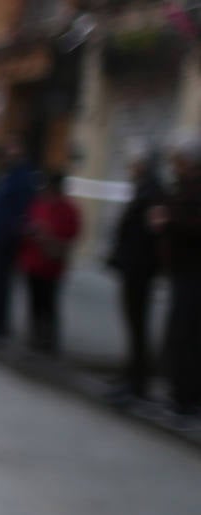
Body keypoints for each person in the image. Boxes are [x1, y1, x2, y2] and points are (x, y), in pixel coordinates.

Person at [105, 149, 165, 401]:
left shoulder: (151, 192)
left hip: (140, 268)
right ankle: (131, 376)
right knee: (133, 323)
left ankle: (137, 381)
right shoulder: (144, 189)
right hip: (134, 267)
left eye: (135, 163)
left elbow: (150, 233)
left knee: (137, 324)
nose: (131, 167)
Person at [152, 137, 201, 421]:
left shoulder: (194, 188)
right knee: (180, 335)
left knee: (187, 336)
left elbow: (193, 225)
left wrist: (168, 221)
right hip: (182, 271)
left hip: (193, 273)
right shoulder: (182, 186)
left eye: (177, 158)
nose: (173, 163)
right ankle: (179, 395)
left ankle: (186, 400)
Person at [0, 141, 37, 344]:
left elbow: (22, 209)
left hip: (6, 238)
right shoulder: (3, 176)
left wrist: (12, 231)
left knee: (0, 281)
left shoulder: (21, 178)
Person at [17, 171, 81, 355]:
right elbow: (27, 224)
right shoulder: (39, 204)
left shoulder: (67, 209)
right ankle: (35, 337)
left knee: (49, 303)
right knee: (35, 302)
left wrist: (52, 239)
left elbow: (72, 233)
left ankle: (49, 341)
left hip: (52, 264)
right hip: (34, 260)